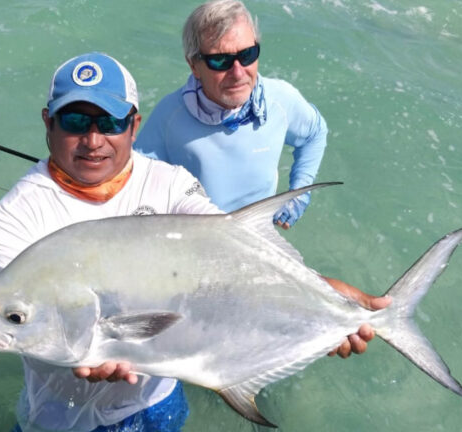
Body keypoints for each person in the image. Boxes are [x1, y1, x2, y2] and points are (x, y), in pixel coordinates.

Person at [0, 51, 383, 432]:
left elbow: (233, 246)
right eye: (73, 120)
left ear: (134, 125)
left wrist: (323, 295)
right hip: (60, 415)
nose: (92, 140)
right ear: (48, 122)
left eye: (110, 123)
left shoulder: (169, 183)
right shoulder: (15, 218)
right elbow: (44, 333)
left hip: (157, 399)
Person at [134, 0, 390, 357]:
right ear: (194, 64)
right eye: (220, 61)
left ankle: (364, 313)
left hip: (260, 239)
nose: (238, 72)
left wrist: (299, 193)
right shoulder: (169, 119)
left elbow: (315, 133)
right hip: (197, 256)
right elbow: (135, 186)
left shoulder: (281, 100)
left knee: (279, 335)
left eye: (248, 53)